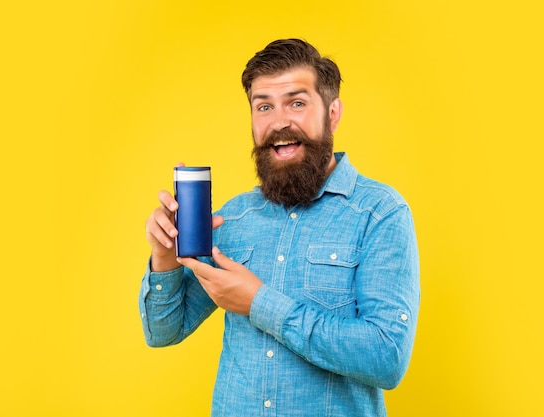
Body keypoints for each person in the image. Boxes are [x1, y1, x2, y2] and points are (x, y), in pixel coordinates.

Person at [140, 38, 420, 417]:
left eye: (297, 103)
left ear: (332, 113)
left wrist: (259, 303)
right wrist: (165, 257)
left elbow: (386, 357)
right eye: (264, 106)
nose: (278, 122)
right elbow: (163, 331)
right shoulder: (233, 218)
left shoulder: (380, 214)